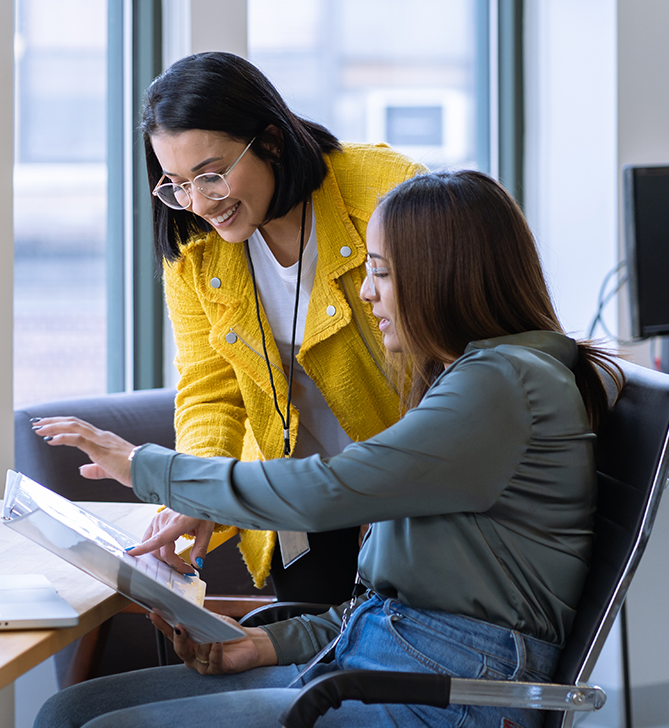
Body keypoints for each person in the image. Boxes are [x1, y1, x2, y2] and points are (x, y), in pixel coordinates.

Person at [30, 169, 621, 728]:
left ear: (445, 276)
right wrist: (263, 644)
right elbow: (396, 612)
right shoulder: (481, 379)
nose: (366, 293)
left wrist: (142, 466)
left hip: (444, 694)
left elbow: (323, 493)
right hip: (388, 664)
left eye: (383, 273)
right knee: (70, 713)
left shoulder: (502, 385)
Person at [133, 51, 426, 603]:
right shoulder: (194, 246)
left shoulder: (387, 196)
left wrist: (392, 497)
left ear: (269, 141)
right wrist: (194, 495)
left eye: (211, 175)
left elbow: (452, 366)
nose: (199, 203)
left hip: (414, 492)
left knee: (387, 660)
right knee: (306, 659)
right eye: (176, 184)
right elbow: (209, 388)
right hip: (299, 503)